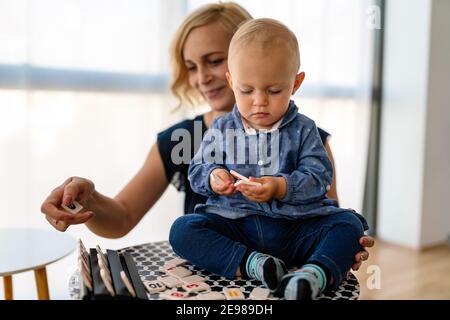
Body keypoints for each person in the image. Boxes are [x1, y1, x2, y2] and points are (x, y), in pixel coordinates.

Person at [40, 2, 373, 270]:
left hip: (290, 270)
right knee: (184, 229)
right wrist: (87, 199)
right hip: (217, 282)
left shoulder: (308, 134)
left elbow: (322, 213)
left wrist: (344, 248)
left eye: (213, 61)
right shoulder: (179, 139)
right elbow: (122, 218)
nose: (202, 78)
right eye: (191, 66)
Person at [169, 18, 369, 300]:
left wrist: (280, 187)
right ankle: (255, 264)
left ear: (296, 83)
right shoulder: (222, 129)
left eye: (274, 90)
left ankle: (313, 275)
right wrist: (214, 177)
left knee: (350, 225)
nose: (259, 101)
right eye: (246, 90)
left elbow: (320, 176)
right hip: (237, 228)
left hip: (295, 229)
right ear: (231, 81)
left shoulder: (305, 129)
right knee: (182, 230)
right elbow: (199, 169)